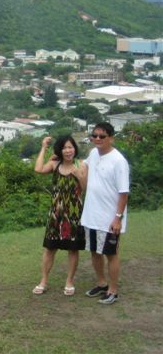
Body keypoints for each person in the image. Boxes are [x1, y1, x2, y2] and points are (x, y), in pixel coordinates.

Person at [81, 122, 130, 305]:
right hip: (91, 215)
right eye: (94, 136)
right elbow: (83, 166)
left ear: (111, 138)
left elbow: (124, 192)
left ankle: (113, 291)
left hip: (109, 218)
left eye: (102, 136)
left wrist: (118, 218)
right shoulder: (93, 153)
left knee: (111, 254)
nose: (97, 139)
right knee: (94, 252)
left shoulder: (118, 161)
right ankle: (102, 283)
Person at [33, 135, 87, 296]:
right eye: (64, 148)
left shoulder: (81, 165)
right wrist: (43, 147)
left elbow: (85, 188)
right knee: (50, 248)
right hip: (56, 214)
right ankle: (43, 281)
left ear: (75, 148)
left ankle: (69, 281)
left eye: (70, 147)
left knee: (73, 249)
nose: (68, 150)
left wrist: (79, 175)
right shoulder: (55, 164)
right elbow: (38, 169)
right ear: (60, 150)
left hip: (74, 213)